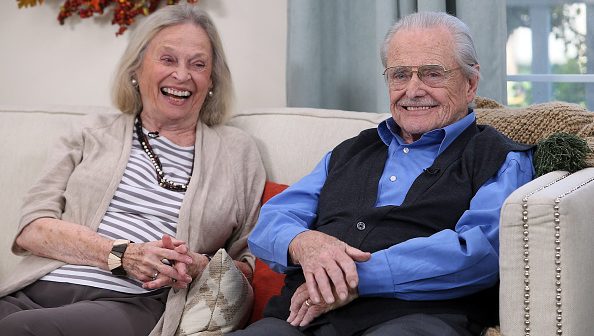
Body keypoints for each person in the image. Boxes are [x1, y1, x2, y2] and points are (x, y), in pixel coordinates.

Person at [232, 11, 534, 336]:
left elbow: (480, 251)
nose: (413, 90)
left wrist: (354, 276)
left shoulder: (500, 156)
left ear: (470, 83)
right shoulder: (349, 151)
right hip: (300, 318)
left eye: (432, 74)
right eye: (400, 75)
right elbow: (271, 222)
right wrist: (304, 242)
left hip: (417, 318)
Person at [0, 4, 264, 336]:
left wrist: (199, 266)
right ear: (136, 69)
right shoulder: (90, 133)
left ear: (212, 80)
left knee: (18, 330)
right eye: (168, 60)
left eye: (198, 64)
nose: (182, 75)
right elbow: (32, 229)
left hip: (132, 302)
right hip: (38, 287)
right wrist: (121, 255)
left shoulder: (237, 153)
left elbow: (251, 265)